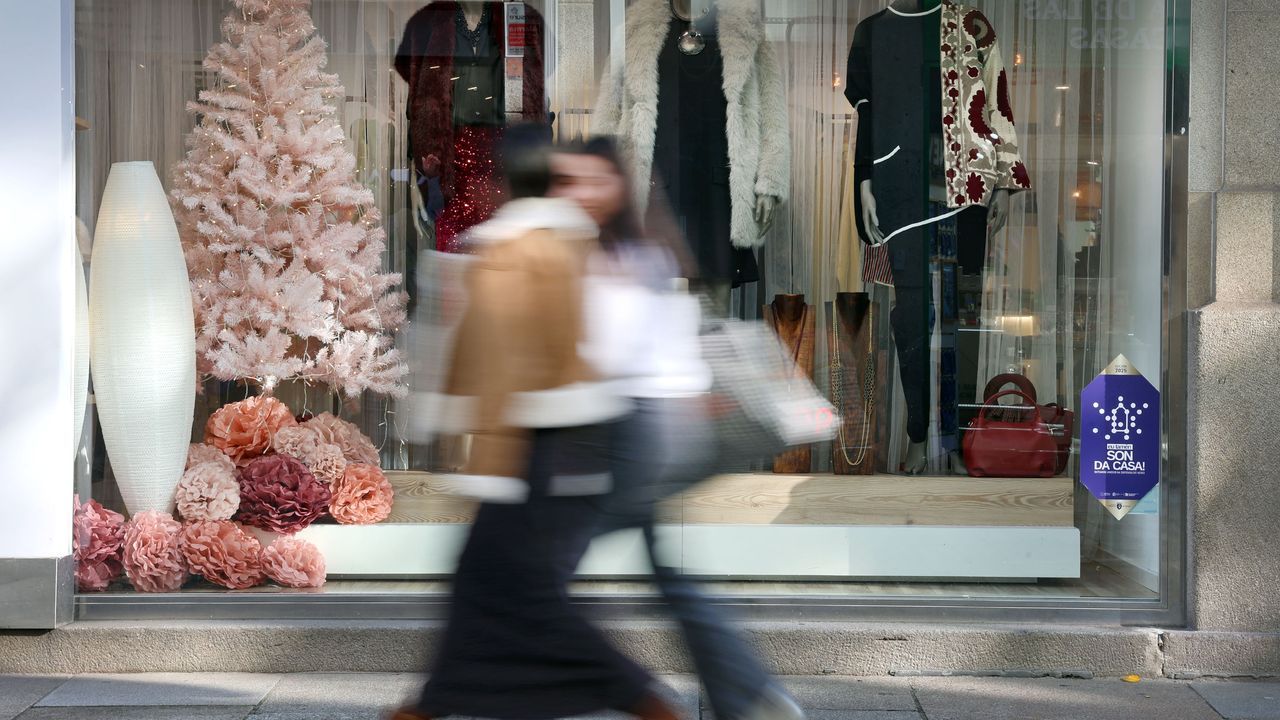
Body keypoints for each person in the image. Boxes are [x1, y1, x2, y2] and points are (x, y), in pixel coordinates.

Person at [393, 125, 679, 720]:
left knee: (510, 588)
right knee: (491, 583)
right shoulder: (562, 242)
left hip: (530, 451)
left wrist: (480, 458)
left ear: (502, 182)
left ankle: (641, 697)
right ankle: (435, 703)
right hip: (568, 444)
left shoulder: (513, 250)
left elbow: (499, 364)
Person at [549, 138, 807, 720]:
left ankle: (568, 688)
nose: (581, 193)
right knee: (667, 577)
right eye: (568, 182)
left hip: (637, 436)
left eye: (593, 181)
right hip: (641, 435)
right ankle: (747, 695)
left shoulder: (626, 259)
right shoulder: (620, 253)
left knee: (538, 572)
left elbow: (608, 357)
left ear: (619, 188)